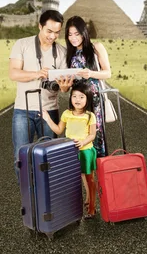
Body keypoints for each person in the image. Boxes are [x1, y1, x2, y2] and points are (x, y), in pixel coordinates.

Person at [9, 10, 74, 181]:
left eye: (57, 32)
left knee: (49, 157)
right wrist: (37, 73)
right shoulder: (21, 44)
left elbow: (63, 89)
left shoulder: (61, 52)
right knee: (21, 157)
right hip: (23, 110)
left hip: (50, 111)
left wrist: (65, 88)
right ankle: (28, 198)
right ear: (40, 26)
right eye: (49, 31)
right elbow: (14, 74)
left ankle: (47, 196)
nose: (53, 36)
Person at [42, 80, 97, 219]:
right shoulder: (67, 114)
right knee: (74, 177)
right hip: (70, 152)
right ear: (70, 97)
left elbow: (92, 135)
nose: (77, 100)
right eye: (74, 96)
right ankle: (75, 207)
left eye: (81, 97)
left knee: (88, 178)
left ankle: (92, 207)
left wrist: (83, 141)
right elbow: (59, 130)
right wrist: (47, 118)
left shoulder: (90, 116)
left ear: (87, 99)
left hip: (85, 151)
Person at [64, 16, 111, 158]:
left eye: (76, 34)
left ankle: (101, 170)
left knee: (96, 134)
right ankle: (83, 171)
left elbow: (108, 73)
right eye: (70, 35)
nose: (73, 38)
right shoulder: (70, 53)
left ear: (84, 32)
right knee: (78, 134)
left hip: (94, 100)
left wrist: (91, 73)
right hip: (77, 101)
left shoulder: (96, 47)